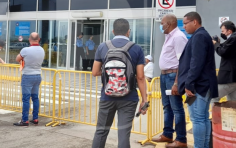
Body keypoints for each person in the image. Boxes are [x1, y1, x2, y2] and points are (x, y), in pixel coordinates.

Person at [91, 19, 148, 148]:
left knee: (101, 131)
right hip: (129, 97)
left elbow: (95, 72)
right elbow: (140, 76)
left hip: (107, 96)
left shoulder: (102, 46)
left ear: (113, 31)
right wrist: (144, 100)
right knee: (123, 134)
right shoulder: (136, 48)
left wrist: (109, 73)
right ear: (129, 32)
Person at [178, 12, 218, 148]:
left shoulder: (199, 36)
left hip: (199, 85)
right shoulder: (202, 35)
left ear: (194, 22)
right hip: (204, 84)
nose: (184, 27)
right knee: (203, 118)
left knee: (198, 119)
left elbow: (196, 62)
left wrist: (189, 83)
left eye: (185, 23)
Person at [152, 14, 188, 148]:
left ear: (170, 23)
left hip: (173, 77)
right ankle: (167, 134)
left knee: (177, 108)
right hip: (165, 76)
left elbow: (182, 62)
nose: (161, 26)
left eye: (163, 23)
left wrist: (177, 83)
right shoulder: (169, 37)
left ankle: (181, 140)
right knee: (167, 107)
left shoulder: (178, 37)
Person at [14, 32, 45, 126]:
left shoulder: (25, 50)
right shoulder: (42, 50)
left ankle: (25, 120)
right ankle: (35, 118)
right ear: (39, 39)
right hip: (38, 75)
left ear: (29, 40)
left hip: (27, 76)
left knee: (26, 99)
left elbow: (17, 59)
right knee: (35, 98)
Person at [211, 21, 236, 103]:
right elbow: (226, 48)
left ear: (229, 31)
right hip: (233, 77)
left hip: (228, 77)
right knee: (232, 102)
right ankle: (231, 115)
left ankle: (216, 116)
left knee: (214, 97)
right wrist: (219, 43)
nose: (222, 33)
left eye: (223, 31)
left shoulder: (234, 39)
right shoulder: (235, 39)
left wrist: (216, 44)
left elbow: (222, 52)